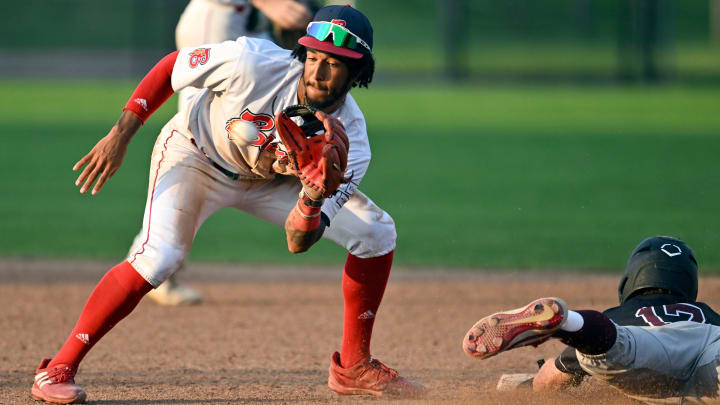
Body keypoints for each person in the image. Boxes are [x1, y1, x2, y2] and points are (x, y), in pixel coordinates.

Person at [31, 5, 426, 404]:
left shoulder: (351, 143)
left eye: (334, 64)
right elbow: (172, 67)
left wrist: (312, 196)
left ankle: (354, 366)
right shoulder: (251, 63)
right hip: (196, 157)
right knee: (159, 258)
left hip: (272, 184)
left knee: (376, 232)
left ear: (358, 72)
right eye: (313, 57)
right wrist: (121, 134)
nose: (318, 72)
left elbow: (297, 241)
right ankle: (58, 368)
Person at [145, 0, 316, 305]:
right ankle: (155, 260)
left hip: (245, 21)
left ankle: (157, 261)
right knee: (195, 137)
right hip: (218, 16)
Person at [463, 236, 720, 404]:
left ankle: (570, 324)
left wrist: (530, 385)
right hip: (710, 341)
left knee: (615, 346)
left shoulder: (621, 316)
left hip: (646, 343)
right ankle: (569, 325)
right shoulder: (708, 312)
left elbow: (550, 380)